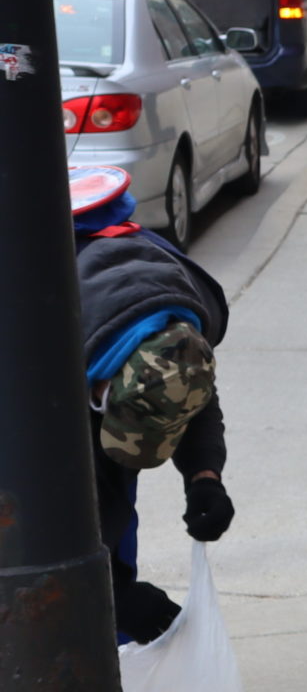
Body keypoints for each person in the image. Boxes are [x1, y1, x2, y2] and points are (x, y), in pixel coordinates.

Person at [70, 167, 237, 645]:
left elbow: (189, 386)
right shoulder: (34, 348)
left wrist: (205, 478)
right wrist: (110, 596)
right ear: (94, 388)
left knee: (110, 542)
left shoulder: (183, 303)